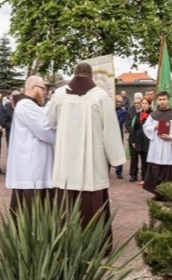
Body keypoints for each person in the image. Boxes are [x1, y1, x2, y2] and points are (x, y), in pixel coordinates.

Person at [47, 62, 125, 236]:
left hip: (65, 162)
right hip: (92, 160)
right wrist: (116, 159)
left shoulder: (59, 95)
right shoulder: (101, 96)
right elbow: (110, 130)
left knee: (65, 197)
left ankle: (64, 241)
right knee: (91, 197)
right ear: (91, 76)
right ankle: (95, 244)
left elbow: (50, 122)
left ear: (74, 74)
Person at [6, 76, 56, 212]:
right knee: (31, 212)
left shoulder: (31, 105)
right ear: (34, 88)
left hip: (34, 168)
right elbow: (45, 131)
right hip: (32, 170)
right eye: (43, 88)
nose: (45, 92)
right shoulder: (26, 106)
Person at [142, 91, 172, 200]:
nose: (162, 102)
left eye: (164, 99)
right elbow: (146, 127)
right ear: (157, 100)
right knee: (156, 170)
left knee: (169, 172)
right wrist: (154, 127)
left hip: (168, 146)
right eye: (160, 99)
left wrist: (171, 136)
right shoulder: (153, 115)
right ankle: (158, 194)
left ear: (168, 100)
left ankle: (170, 195)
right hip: (156, 146)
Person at [125, 98, 151, 182]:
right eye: (143, 103)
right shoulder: (138, 114)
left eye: (146, 103)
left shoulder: (153, 114)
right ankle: (133, 175)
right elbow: (134, 128)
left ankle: (145, 176)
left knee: (145, 159)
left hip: (146, 140)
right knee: (134, 159)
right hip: (137, 139)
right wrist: (133, 141)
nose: (144, 105)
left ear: (149, 104)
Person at [114, 94, 128, 179]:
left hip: (118, 135)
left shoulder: (123, 112)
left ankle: (119, 172)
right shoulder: (109, 109)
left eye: (120, 102)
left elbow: (119, 123)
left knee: (119, 153)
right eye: (116, 101)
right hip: (108, 135)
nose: (118, 103)